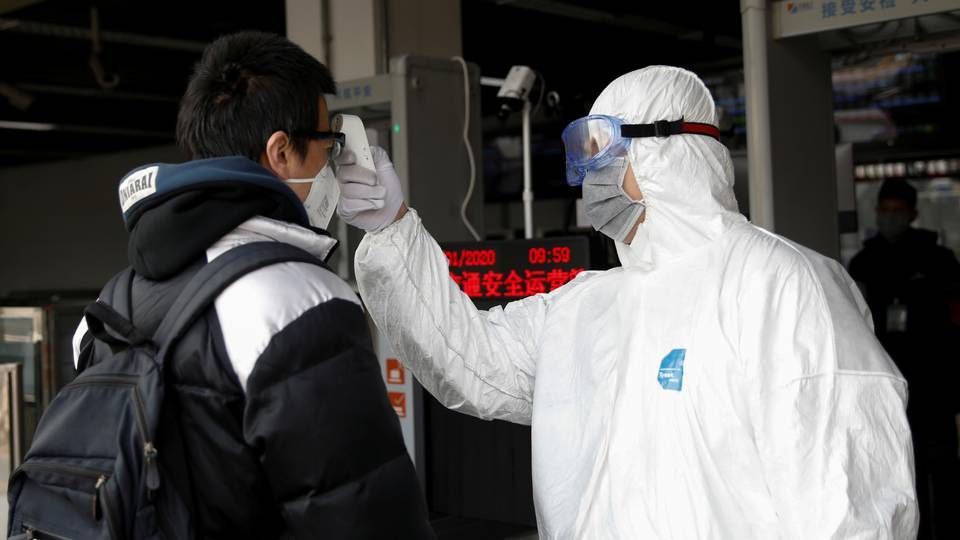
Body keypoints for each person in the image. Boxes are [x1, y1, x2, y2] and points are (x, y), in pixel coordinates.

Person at [334, 66, 918, 538]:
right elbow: (469, 359)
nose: (590, 174)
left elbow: (850, 504)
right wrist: (393, 232)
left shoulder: (783, 286)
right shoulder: (587, 305)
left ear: (668, 152)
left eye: (601, 147)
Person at [71, 31, 433, 539]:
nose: (334, 163)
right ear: (280, 151)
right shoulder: (298, 298)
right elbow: (365, 515)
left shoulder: (109, 306)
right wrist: (392, 223)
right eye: (328, 146)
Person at [849, 178, 960, 539]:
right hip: (885, 384)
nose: (890, 218)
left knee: (941, 469)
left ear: (912, 214)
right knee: (895, 472)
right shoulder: (864, 263)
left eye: (898, 211)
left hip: (933, 382)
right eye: (886, 210)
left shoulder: (939, 261)